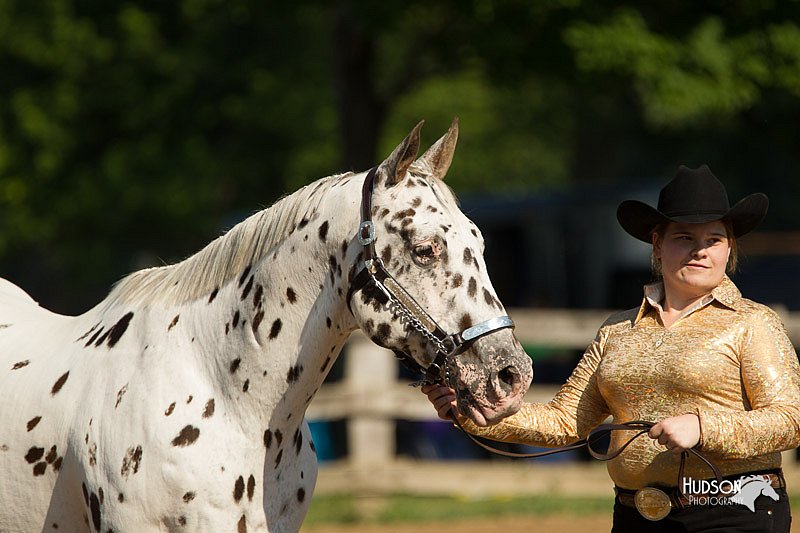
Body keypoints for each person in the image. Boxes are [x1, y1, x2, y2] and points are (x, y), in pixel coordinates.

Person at [423, 165, 800, 532]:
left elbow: (791, 420)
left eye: (713, 239)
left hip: (734, 512)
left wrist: (704, 427)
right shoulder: (617, 330)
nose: (700, 250)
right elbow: (565, 421)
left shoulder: (752, 322)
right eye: (684, 237)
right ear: (657, 243)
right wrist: (475, 412)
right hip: (636, 515)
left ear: (729, 247)